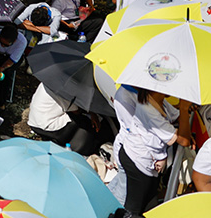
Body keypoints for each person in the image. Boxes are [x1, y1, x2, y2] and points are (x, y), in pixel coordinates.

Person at [113, 86, 191, 217]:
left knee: (150, 206)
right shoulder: (147, 109)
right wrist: (184, 108)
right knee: (133, 208)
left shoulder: (158, 101)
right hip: (137, 160)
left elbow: (177, 121)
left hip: (146, 160)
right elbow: (184, 141)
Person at [26, 83, 99, 156]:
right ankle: (79, 149)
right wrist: (93, 114)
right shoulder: (62, 89)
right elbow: (76, 111)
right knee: (83, 121)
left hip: (34, 123)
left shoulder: (47, 81)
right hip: (47, 127)